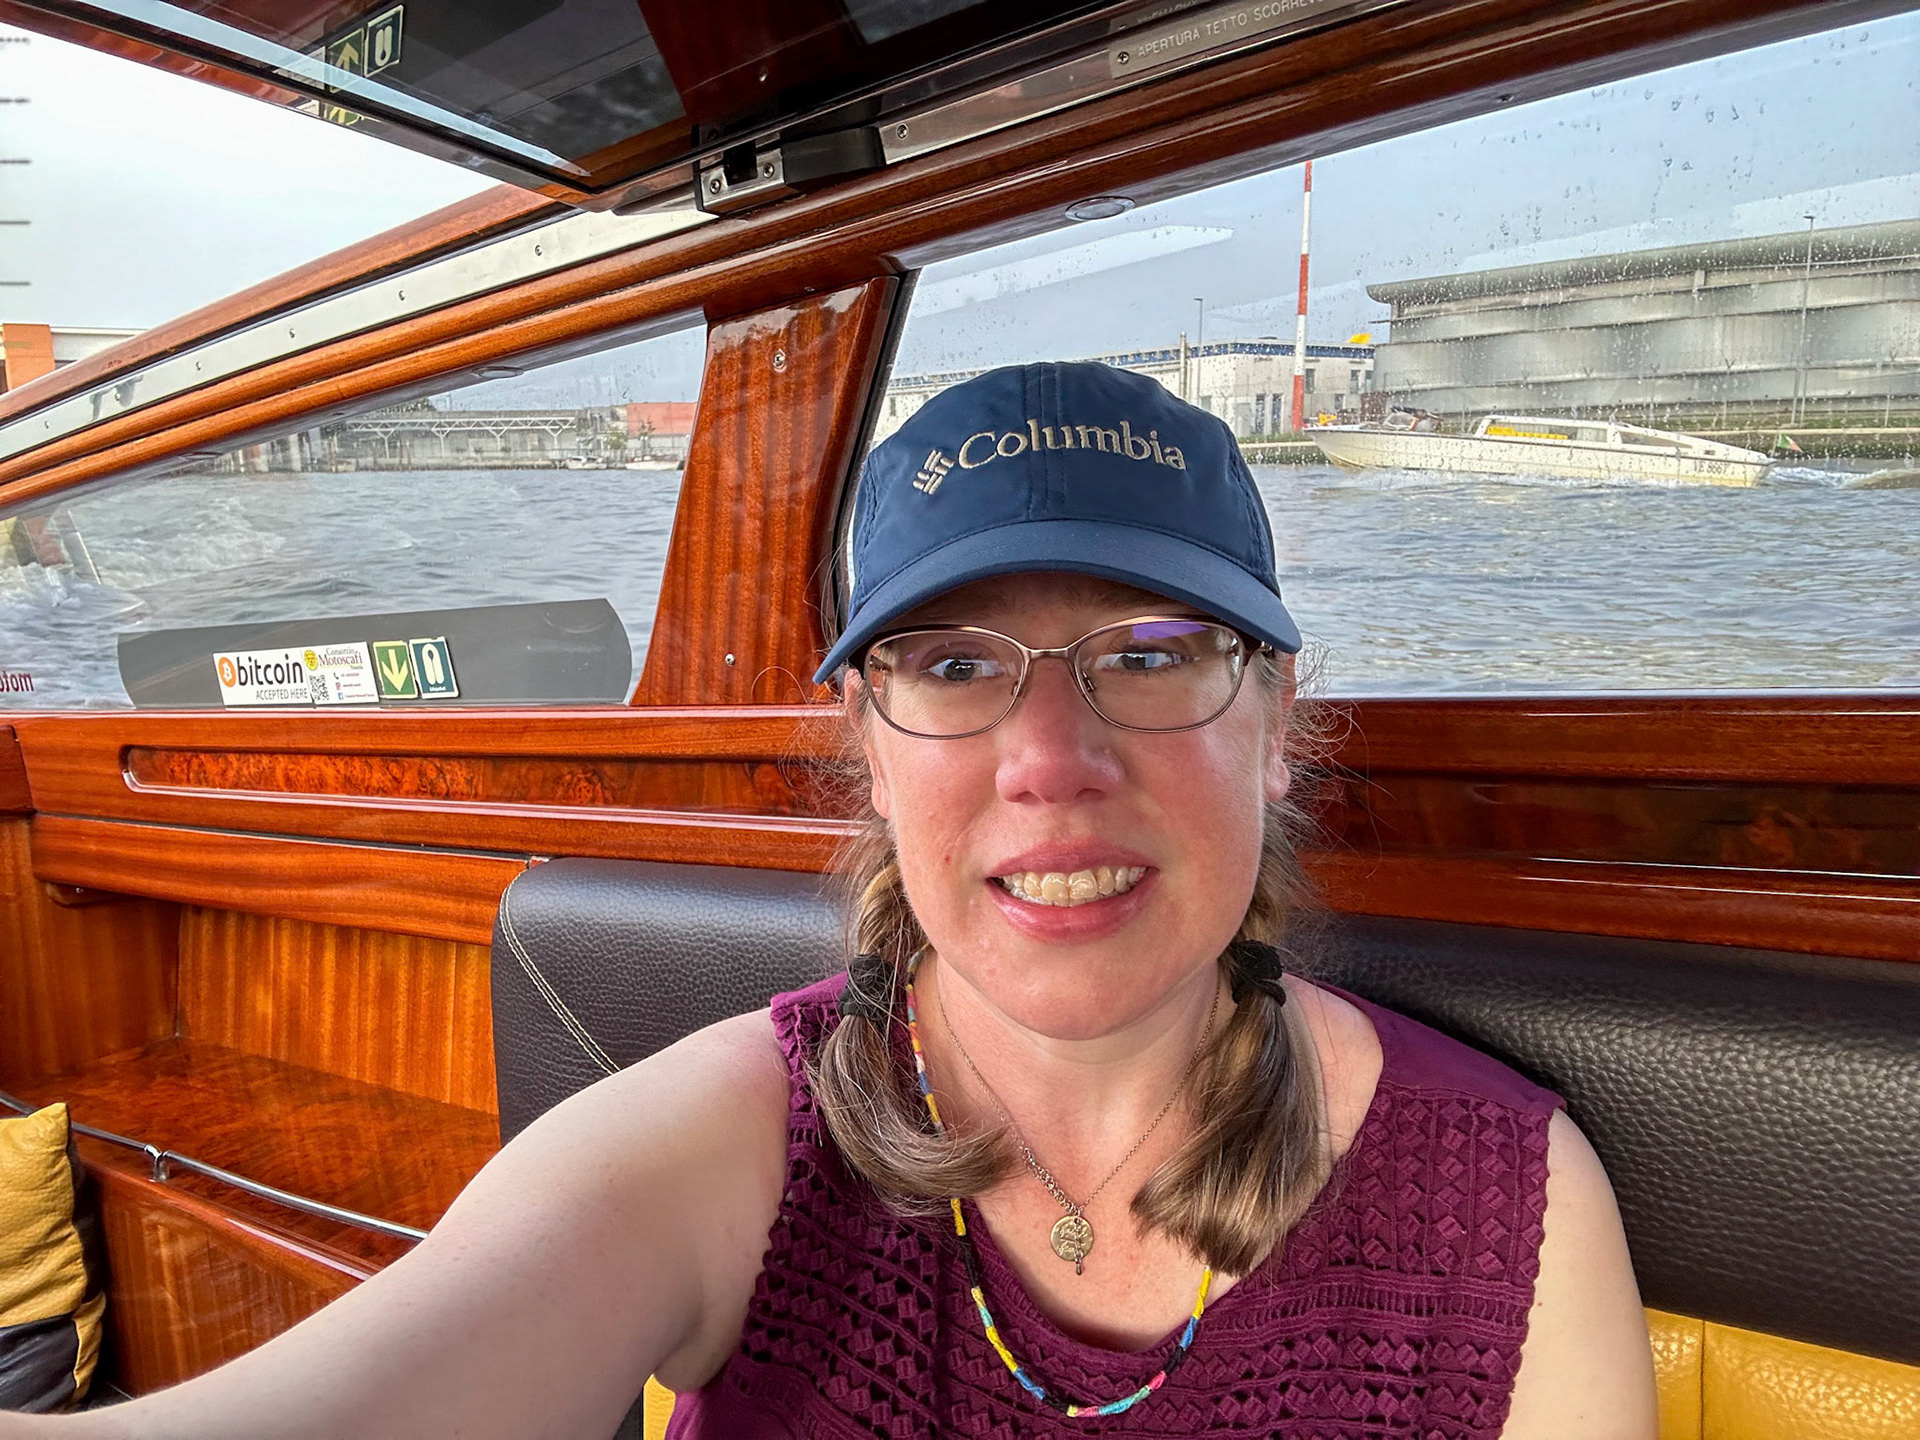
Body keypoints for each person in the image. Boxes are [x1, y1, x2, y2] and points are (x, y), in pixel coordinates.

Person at [8, 363, 1656, 1439]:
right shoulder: (736, 1145)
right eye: (953, 666)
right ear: (867, 745)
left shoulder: (1505, 1208)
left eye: (1153, 655)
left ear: (1276, 719)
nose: (1052, 761)